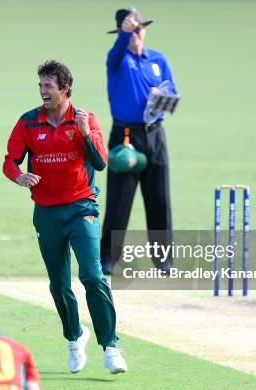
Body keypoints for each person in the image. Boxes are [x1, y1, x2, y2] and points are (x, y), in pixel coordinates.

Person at [2, 60, 127, 375]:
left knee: (93, 276)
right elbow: (10, 162)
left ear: (65, 89)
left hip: (80, 208)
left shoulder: (86, 120)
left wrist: (85, 134)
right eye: (40, 85)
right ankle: (75, 337)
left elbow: (100, 163)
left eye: (48, 86)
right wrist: (19, 177)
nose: (43, 91)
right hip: (46, 213)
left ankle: (110, 346)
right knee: (58, 284)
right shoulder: (28, 122)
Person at [101, 8, 177, 275]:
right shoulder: (118, 60)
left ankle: (164, 260)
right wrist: (123, 32)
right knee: (120, 200)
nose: (136, 34)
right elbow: (115, 55)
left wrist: (162, 97)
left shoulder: (158, 59)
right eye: (131, 30)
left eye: (139, 28)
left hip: (155, 134)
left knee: (159, 199)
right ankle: (108, 258)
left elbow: (172, 91)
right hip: (125, 136)